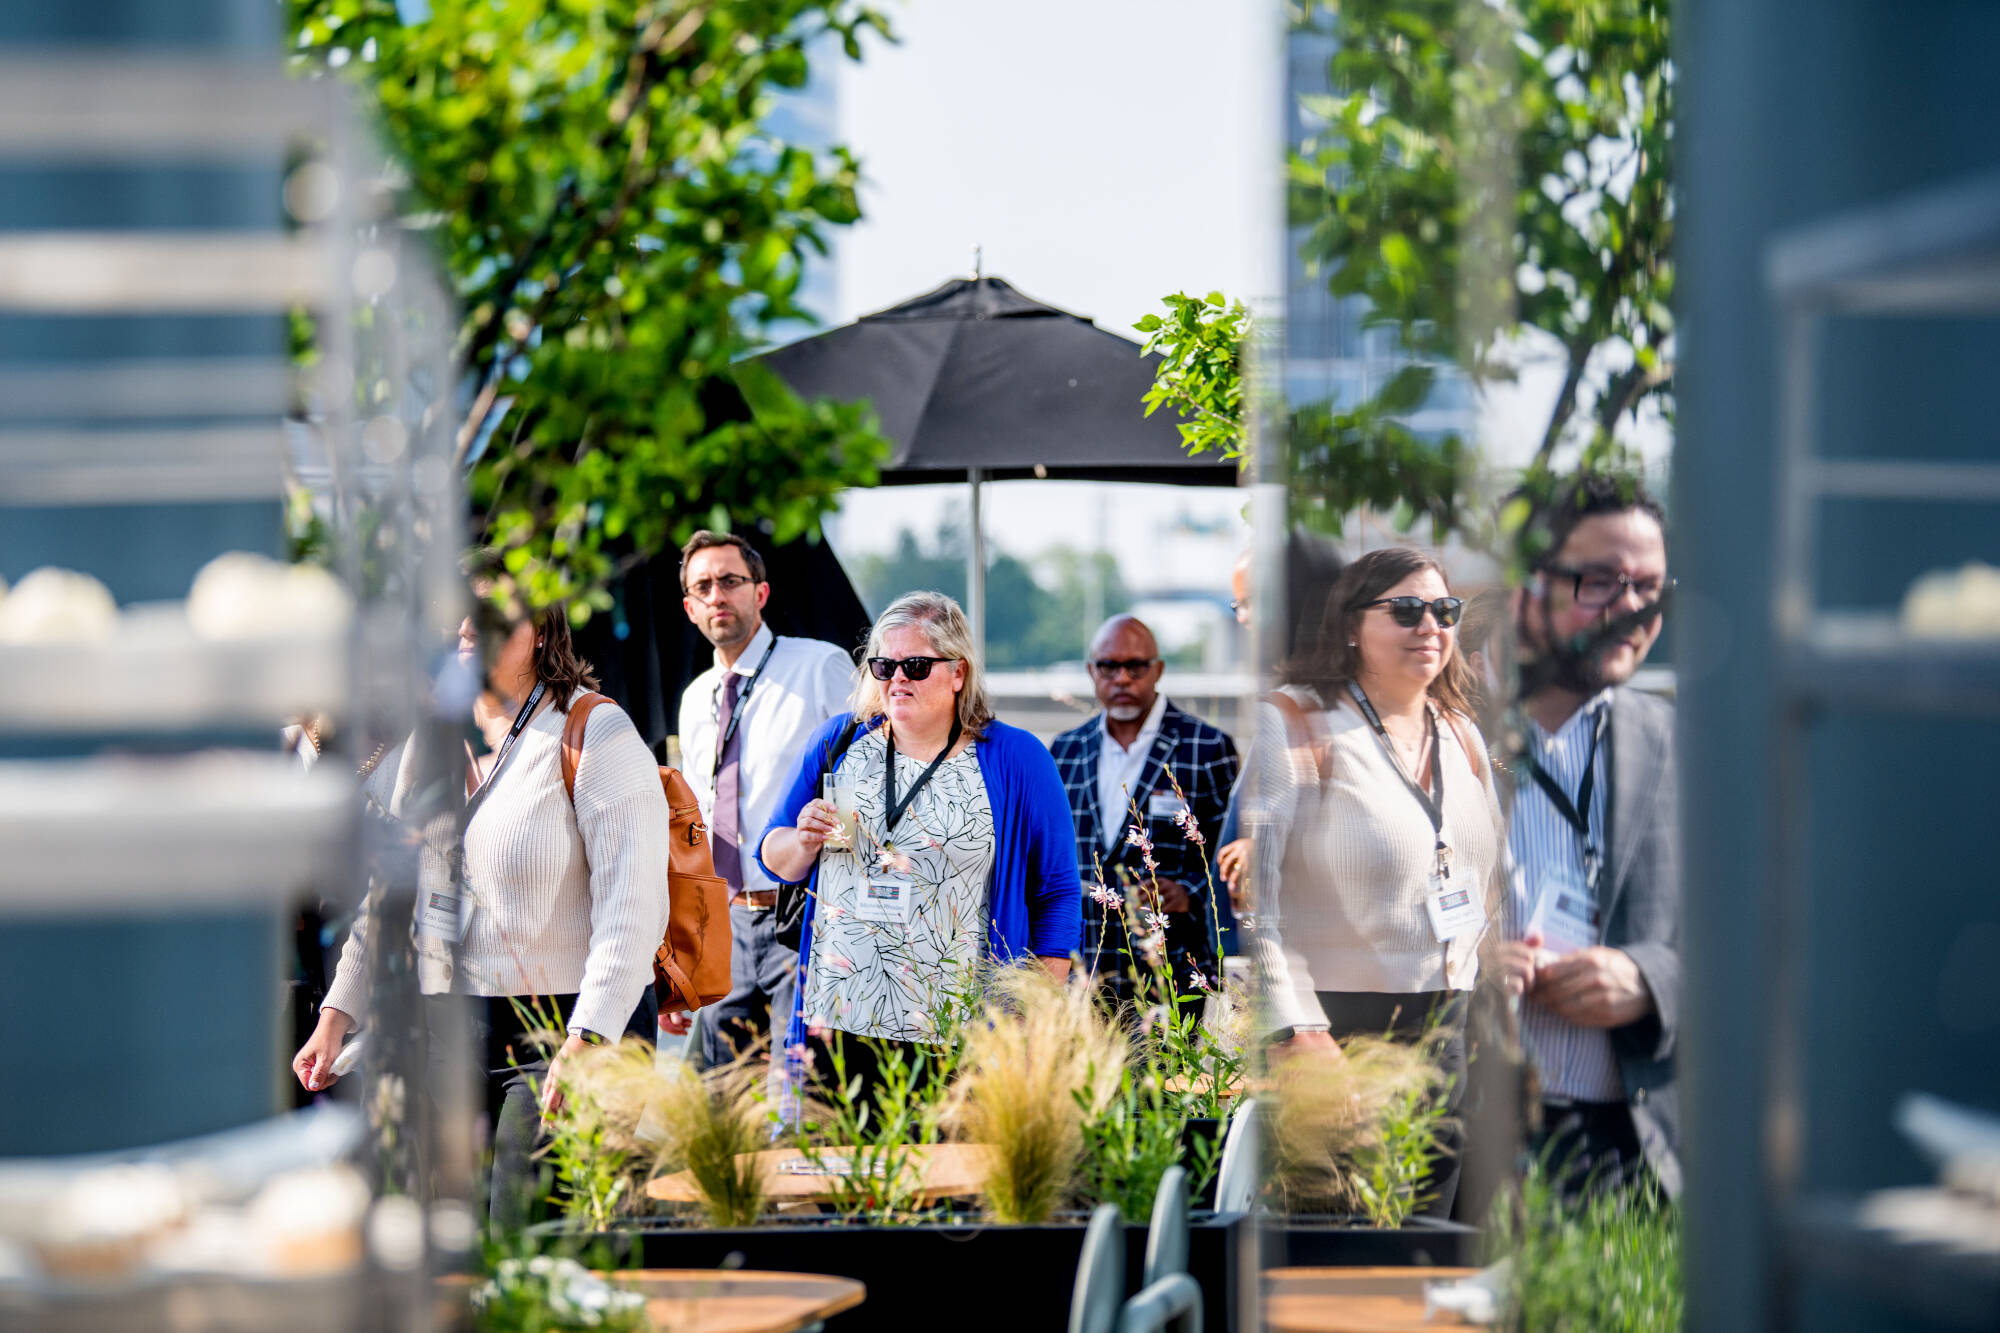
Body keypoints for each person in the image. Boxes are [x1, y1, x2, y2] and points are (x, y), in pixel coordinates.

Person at [293, 596, 671, 1227]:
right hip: (454, 1024)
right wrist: (338, 1010)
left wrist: (592, 1036)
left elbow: (632, 904)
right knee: (444, 1242)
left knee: (524, 1237)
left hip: (568, 1028)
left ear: (542, 630)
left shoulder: (593, 731)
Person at [1251, 546, 1505, 1217]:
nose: (1431, 625)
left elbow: (1493, 887)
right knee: (1343, 1258)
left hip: (1451, 1032)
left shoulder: (1462, 733)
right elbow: (1257, 906)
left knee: (1430, 1259)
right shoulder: (1295, 722)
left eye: (1444, 610)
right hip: (1338, 1037)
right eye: (1407, 608)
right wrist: (1299, 1031)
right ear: (1351, 624)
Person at [757, 591, 1080, 1110]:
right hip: (838, 1021)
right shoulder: (838, 742)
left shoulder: (1015, 759)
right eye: (884, 665)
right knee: (844, 1184)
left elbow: (1057, 892)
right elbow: (772, 855)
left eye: (915, 665)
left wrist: (1033, 1010)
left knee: (951, 1181)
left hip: (961, 1028)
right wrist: (802, 839)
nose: (897, 679)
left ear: (958, 672)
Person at [1491, 473, 1681, 1194]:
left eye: (1651, 586)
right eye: (1600, 582)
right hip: (1462, 1148)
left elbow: (1758, 944)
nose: (1631, 609)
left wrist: (1649, 982)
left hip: (1635, 1149)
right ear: (1525, 586)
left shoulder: (1687, 747)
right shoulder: (1435, 734)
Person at [675, 531, 855, 1066]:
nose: (717, 596)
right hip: (722, 927)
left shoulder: (819, 666)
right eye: (702, 587)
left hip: (800, 919)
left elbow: (864, 783)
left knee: (798, 1106)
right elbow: (697, 823)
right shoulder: (694, 698)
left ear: (762, 593)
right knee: (723, 1113)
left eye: (730, 581)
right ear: (689, 608)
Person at [1049, 615, 1238, 996]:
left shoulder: (1205, 747)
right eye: (1109, 666)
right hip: (1083, 967)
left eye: (1135, 666)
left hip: (1171, 969)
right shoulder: (1065, 750)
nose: (1122, 678)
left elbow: (1231, 852)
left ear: (1158, 670)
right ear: (1091, 671)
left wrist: (1189, 892)